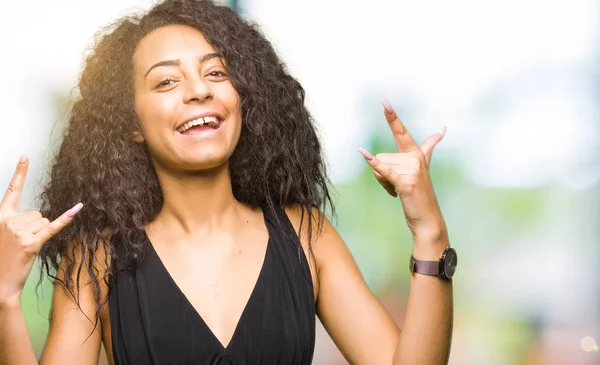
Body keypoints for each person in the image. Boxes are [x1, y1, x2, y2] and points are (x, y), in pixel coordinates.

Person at [0, 0, 455, 364]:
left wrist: (428, 230)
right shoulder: (96, 259)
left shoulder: (306, 236)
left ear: (242, 97)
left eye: (216, 72)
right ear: (131, 122)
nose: (199, 90)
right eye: (166, 82)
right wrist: (4, 296)